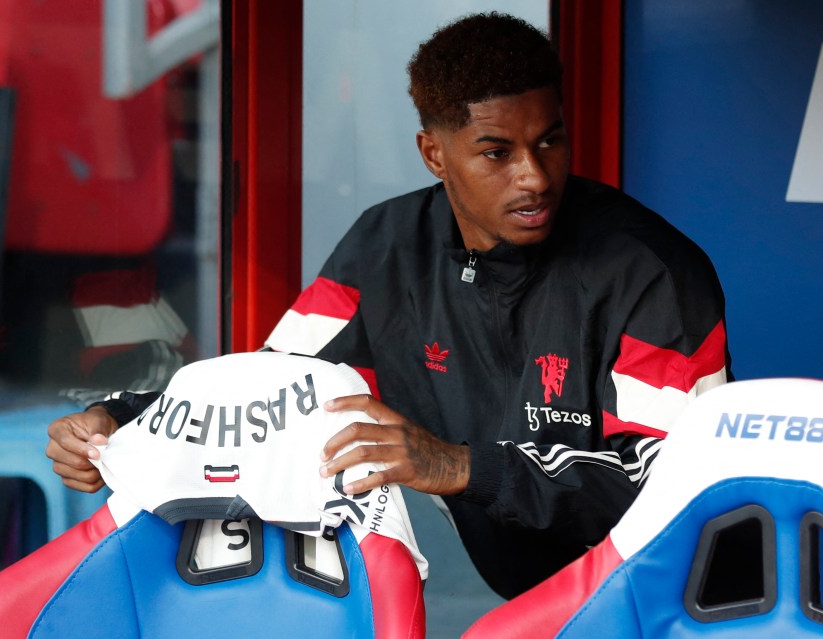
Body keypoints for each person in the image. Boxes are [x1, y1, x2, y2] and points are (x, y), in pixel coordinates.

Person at [45, 12, 732, 600]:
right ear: (434, 153)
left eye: (548, 139)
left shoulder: (651, 270)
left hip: (658, 595)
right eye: (496, 152)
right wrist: (123, 421)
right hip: (494, 593)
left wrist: (459, 464)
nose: (534, 174)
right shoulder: (385, 245)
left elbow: (672, 482)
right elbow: (272, 393)